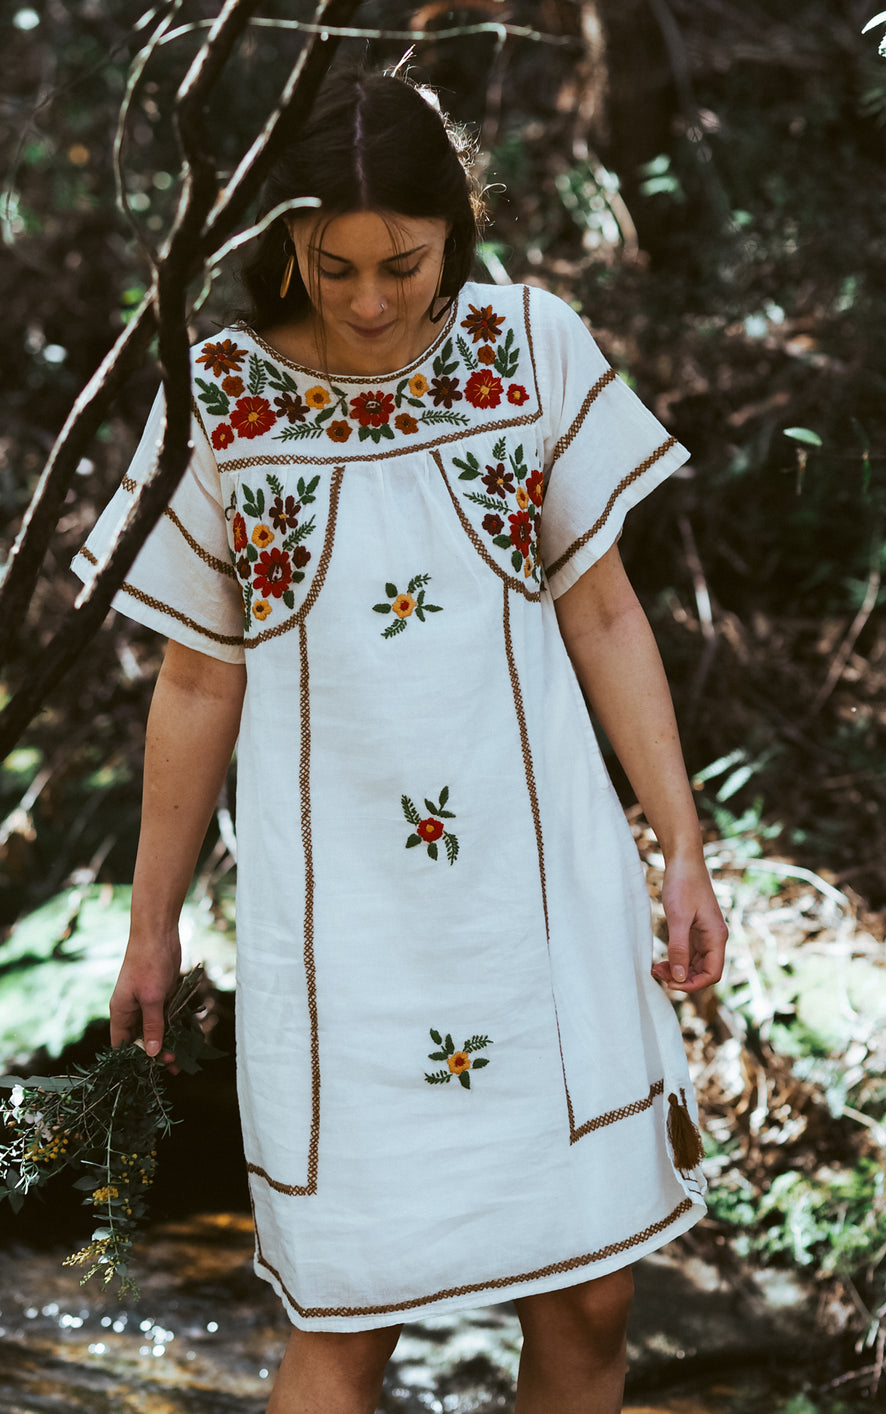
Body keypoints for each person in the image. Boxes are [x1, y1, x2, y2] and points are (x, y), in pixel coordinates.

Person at [74, 66, 727, 1414]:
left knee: (592, 1294)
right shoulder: (222, 400)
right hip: (342, 938)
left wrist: (681, 847)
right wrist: (151, 927)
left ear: (456, 233)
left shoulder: (529, 348)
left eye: (405, 265)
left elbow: (605, 613)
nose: (371, 300)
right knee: (352, 1312)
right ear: (285, 242)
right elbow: (196, 684)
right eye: (335, 267)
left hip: (544, 905)